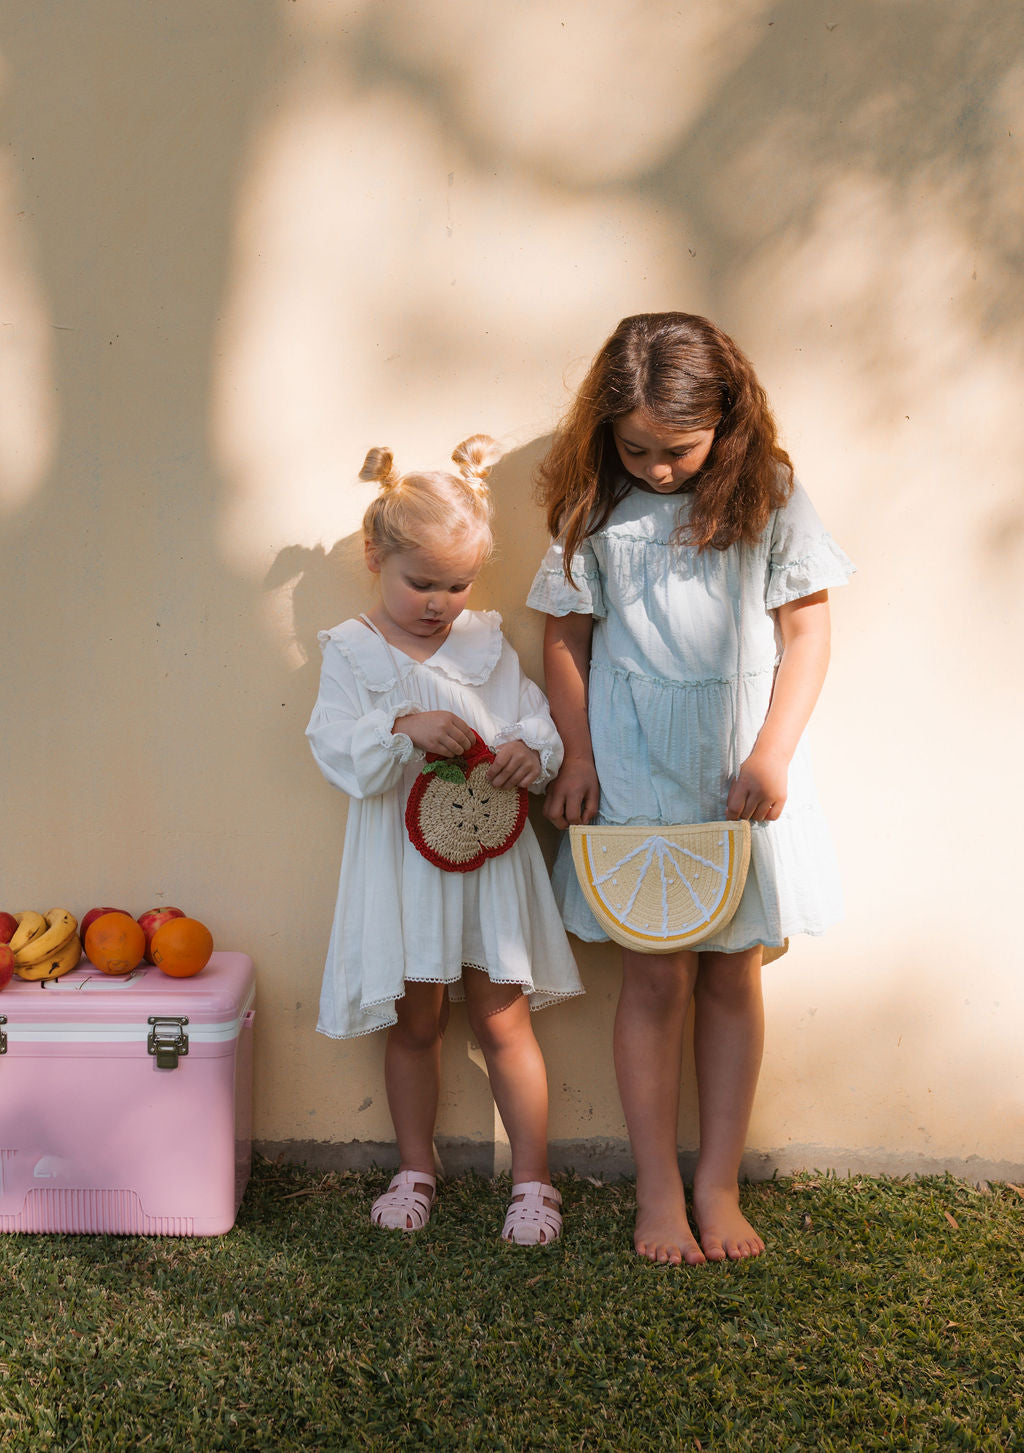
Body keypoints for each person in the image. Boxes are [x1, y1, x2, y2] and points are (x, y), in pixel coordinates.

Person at [527, 313, 853, 1266]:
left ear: (726, 421)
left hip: (737, 768)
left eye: (678, 449)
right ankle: (659, 1190)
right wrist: (577, 756)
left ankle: (719, 1180)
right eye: (637, 448)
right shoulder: (594, 503)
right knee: (655, 969)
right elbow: (564, 638)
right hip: (632, 765)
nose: (658, 468)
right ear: (605, 431)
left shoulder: (772, 496)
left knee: (730, 967)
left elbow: (809, 634)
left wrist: (774, 754)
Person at [307, 434, 582, 1245]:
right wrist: (401, 722)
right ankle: (414, 1166)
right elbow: (333, 746)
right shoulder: (353, 652)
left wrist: (533, 749)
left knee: (504, 1018)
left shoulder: (485, 643)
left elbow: (533, 716)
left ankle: (533, 1180)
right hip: (402, 866)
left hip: (487, 863)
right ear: (374, 557)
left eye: (456, 584)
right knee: (415, 1022)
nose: (438, 601)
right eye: (420, 581)